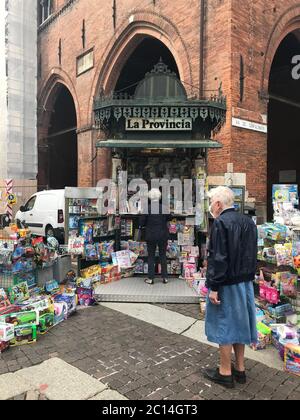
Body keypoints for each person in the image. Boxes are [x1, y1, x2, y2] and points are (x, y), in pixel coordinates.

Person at [204, 186, 258, 389]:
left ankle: (225, 371)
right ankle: (240, 369)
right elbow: (253, 252)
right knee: (241, 323)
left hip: (226, 283)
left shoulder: (220, 223)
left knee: (224, 324)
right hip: (244, 282)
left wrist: (214, 287)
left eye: (211, 203)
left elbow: (219, 258)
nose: (211, 207)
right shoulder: (248, 222)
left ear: (218, 204)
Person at [139, 188, 170, 285]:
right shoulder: (164, 207)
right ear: (159, 196)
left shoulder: (146, 208)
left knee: (151, 256)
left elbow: (141, 222)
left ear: (150, 197)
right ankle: (165, 277)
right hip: (162, 234)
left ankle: (151, 278)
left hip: (151, 235)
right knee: (163, 255)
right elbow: (169, 218)